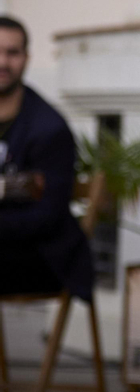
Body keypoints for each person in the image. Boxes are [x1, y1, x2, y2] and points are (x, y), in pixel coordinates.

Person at [0, 15, 93, 303]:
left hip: (42, 257)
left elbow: (46, 217)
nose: (3, 62)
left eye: (12, 53)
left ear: (26, 58)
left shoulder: (49, 128)